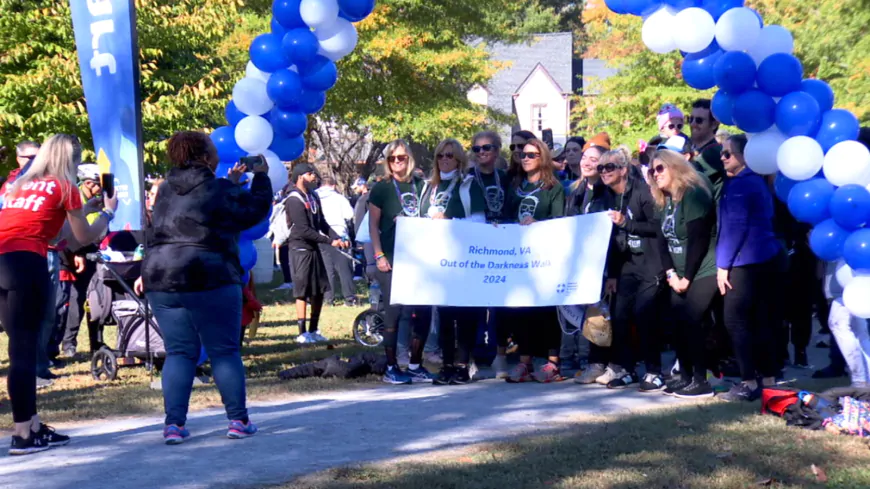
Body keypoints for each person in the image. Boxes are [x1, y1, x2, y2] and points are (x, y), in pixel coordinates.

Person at [140, 131, 272, 444]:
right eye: (212, 150)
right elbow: (251, 213)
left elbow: (194, 211)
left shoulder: (164, 191)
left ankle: (174, 425)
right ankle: (238, 420)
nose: (216, 154)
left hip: (160, 275)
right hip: (208, 273)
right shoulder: (218, 188)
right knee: (224, 351)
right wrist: (261, 179)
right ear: (204, 156)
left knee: (179, 352)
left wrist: (232, 185)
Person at [0, 133, 117, 455]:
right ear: (71, 159)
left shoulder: (15, 186)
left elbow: (59, 235)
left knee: (18, 347)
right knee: (24, 350)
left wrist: (85, 208)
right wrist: (106, 213)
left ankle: (33, 424)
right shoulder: (64, 186)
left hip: (3, 260)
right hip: (26, 263)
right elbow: (83, 238)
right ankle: (23, 433)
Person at [716, 134, 782, 402]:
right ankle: (767, 379)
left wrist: (723, 266)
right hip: (764, 259)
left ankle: (748, 382)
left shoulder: (742, 184)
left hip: (745, 262)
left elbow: (735, 227)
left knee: (736, 321)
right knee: (760, 320)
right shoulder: (757, 182)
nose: (722, 157)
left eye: (727, 154)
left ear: (743, 156)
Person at [596, 148, 668, 391]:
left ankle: (654, 372)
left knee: (645, 316)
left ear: (624, 170)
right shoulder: (606, 196)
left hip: (650, 262)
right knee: (621, 317)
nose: (604, 172)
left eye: (610, 167)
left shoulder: (643, 192)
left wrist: (627, 223)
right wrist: (613, 275)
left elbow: (657, 228)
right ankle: (626, 369)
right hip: (626, 265)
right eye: (601, 168)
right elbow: (611, 239)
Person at [649, 149, 718, 398]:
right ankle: (686, 377)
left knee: (692, 320)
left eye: (659, 168)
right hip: (677, 273)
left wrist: (686, 278)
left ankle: (702, 380)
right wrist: (671, 274)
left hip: (704, 269)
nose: (655, 174)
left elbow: (698, 240)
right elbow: (661, 241)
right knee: (677, 324)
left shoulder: (693, 193)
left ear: (674, 167)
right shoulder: (663, 200)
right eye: (651, 170)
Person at [368, 139, 436, 385]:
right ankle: (391, 366)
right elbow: (373, 226)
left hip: (419, 260)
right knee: (394, 313)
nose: (397, 162)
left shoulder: (422, 185)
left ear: (409, 158)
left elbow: (430, 214)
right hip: (392, 258)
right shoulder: (382, 188)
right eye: (393, 158)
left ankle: (416, 365)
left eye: (402, 157)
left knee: (423, 310)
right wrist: (378, 255)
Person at [421, 138, 486, 385]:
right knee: (444, 314)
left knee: (465, 313)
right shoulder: (429, 188)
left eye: (450, 155)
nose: (445, 159)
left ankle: (461, 365)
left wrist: (448, 221)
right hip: (436, 261)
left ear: (459, 159)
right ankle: (446, 365)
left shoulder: (468, 185)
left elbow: (478, 222)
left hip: (463, 259)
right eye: (440, 155)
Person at [503, 138, 565, 383]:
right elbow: (509, 216)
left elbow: (561, 222)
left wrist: (538, 225)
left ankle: (553, 363)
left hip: (544, 258)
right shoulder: (516, 186)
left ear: (543, 158)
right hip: (519, 259)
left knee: (547, 311)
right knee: (522, 311)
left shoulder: (554, 187)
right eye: (523, 155)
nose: (525, 158)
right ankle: (525, 362)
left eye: (531, 154)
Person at [286, 164, 348, 344]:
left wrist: (337, 237)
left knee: (319, 290)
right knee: (302, 291)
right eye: (310, 173)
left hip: (314, 248)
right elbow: (303, 229)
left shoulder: (313, 196)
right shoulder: (294, 199)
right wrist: (329, 242)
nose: (314, 176)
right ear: (299, 176)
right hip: (300, 249)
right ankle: (302, 332)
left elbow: (321, 222)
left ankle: (313, 329)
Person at [569, 144, 614, 384]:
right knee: (590, 314)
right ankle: (593, 362)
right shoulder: (576, 191)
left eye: (593, 159)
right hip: (581, 263)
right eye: (584, 157)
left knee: (602, 314)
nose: (586, 162)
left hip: (603, 264)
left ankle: (602, 364)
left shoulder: (607, 193)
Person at [469, 131, 513, 378]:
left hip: (501, 246)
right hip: (475, 247)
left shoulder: (505, 179)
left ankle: (500, 356)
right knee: (474, 303)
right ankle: (473, 357)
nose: (482, 153)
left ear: (496, 151)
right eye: (476, 149)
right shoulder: (467, 179)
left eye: (486, 148)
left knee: (499, 305)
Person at [60, 163, 107, 357]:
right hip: (74, 253)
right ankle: (69, 343)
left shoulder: (97, 200)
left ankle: (96, 343)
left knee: (99, 298)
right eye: (98, 185)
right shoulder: (74, 198)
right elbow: (70, 232)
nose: (102, 189)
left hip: (96, 251)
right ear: (88, 183)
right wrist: (77, 253)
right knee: (76, 299)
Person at [315, 175, 358, 306]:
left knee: (327, 268)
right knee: (344, 268)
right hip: (339, 235)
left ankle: (328, 299)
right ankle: (349, 298)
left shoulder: (313, 197)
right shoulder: (339, 198)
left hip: (321, 236)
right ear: (333, 185)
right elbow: (349, 215)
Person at [688, 99, 725, 200]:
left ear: (713, 125)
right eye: (690, 119)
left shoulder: (714, 153)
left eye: (699, 120)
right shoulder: (690, 149)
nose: (693, 124)